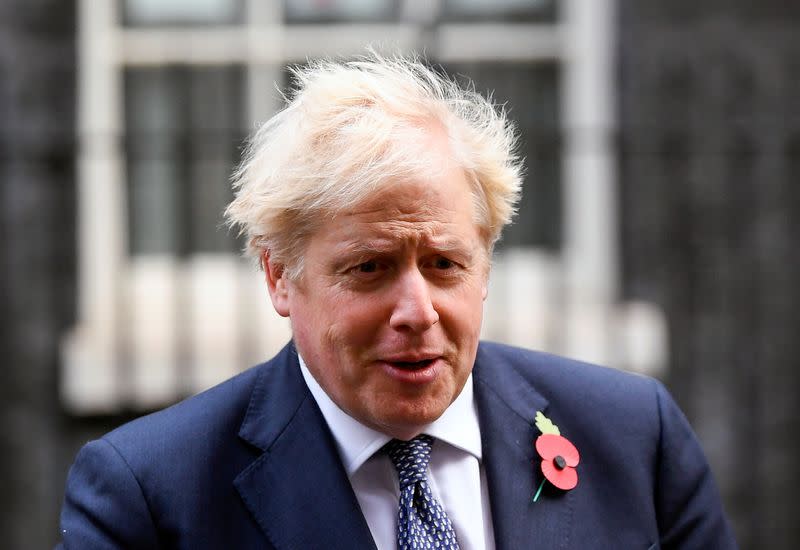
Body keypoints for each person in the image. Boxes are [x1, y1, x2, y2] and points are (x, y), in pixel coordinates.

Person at [58, 52, 737, 549]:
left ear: (486, 266)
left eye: (445, 264)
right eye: (370, 267)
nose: (417, 311)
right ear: (278, 278)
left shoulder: (632, 436)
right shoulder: (148, 497)